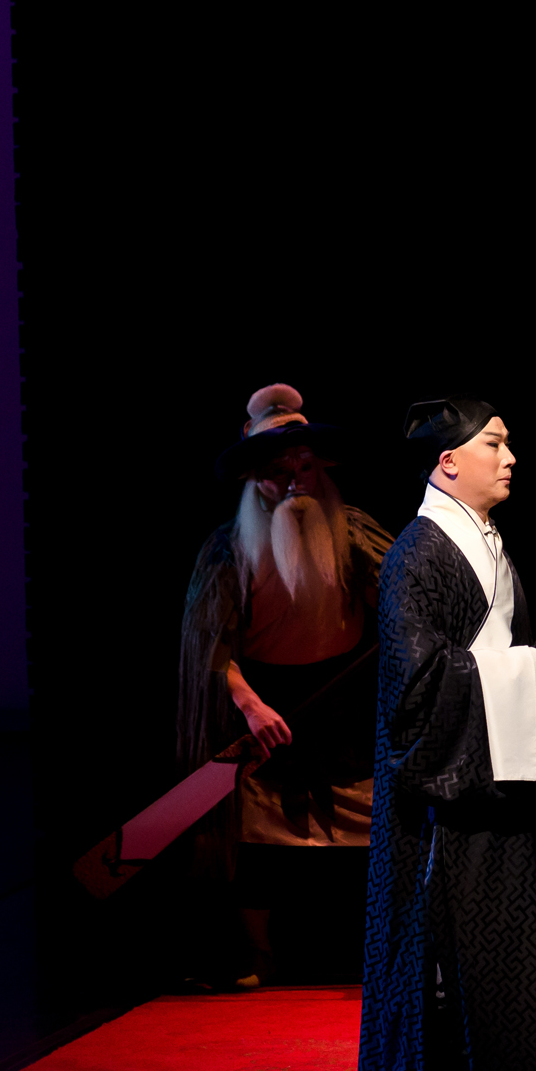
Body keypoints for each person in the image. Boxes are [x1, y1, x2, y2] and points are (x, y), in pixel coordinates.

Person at [353, 398, 536, 1071]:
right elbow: (414, 685)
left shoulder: (486, 542)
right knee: (451, 967)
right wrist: (520, 672)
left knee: (519, 958)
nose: (511, 456)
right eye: (494, 443)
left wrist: (520, 674)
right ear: (448, 461)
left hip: (500, 783)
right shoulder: (417, 554)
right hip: (448, 799)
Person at [178, 384, 392, 989]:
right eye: (279, 472)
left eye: (305, 467)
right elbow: (208, 648)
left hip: (347, 701)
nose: (296, 481)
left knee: (378, 825)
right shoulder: (228, 549)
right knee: (255, 836)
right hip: (266, 703)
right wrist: (250, 706)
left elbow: (401, 602)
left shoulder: (352, 530)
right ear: (256, 479)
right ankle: (256, 953)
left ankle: (384, 949)